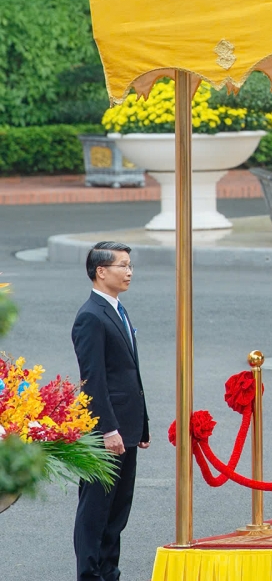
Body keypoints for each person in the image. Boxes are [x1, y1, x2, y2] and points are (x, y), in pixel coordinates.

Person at [73, 241, 149, 581]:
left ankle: (109, 573)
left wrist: (140, 426)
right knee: (96, 510)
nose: (129, 271)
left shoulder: (118, 309)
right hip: (106, 431)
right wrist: (108, 429)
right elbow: (94, 380)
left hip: (126, 427)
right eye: (122, 265)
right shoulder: (90, 316)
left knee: (119, 509)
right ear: (101, 272)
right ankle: (90, 575)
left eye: (130, 265)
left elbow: (129, 373)